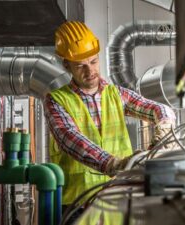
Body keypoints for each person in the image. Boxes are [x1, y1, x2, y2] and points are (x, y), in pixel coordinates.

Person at [44, 21, 176, 223]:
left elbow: (159, 109)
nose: (90, 71)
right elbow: (69, 138)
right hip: (78, 204)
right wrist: (115, 164)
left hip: (118, 199)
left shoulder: (116, 94)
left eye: (93, 61)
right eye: (81, 66)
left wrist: (164, 127)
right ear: (66, 64)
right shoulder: (56, 100)